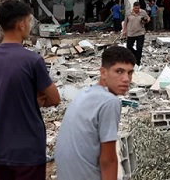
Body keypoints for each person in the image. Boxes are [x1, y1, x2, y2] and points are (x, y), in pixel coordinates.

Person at [0, 0, 61, 180]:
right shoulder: (32, 60)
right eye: (29, 21)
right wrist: (38, 98)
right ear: (21, 24)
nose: (30, 26)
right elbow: (55, 98)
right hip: (27, 152)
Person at [55, 46, 136, 180]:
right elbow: (108, 160)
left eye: (130, 73)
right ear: (103, 72)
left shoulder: (85, 92)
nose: (126, 79)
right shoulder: (109, 102)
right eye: (119, 71)